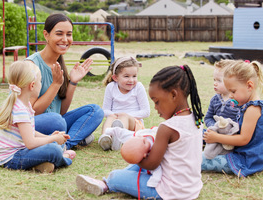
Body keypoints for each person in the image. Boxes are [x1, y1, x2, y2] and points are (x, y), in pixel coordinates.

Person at [76, 65, 204, 199]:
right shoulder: (196, 120)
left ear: (173, 95)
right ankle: (107, 181)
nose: (155, 108)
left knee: (117, 176)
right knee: (137, 168)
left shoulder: (168, 128)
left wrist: (135, 156)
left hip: (168, 192)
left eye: (157, 102)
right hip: (191, 188)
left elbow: (152, 164)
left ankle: (107, 183)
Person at [25, 13, 104, 150]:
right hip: (30, 125)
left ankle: (66, 144)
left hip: (56, 123)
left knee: (95, 111)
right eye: (59, 34)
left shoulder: (58, 64)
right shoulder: (31, 66)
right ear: (46, 35)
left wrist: (73, 82)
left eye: (69, 34)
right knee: (57, 121)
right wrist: (55, 85)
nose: (65, 39)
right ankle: (73, 137)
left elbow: (61, 111)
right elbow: (31, 112)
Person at [0, 61, 75, 173]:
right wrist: (52, 139)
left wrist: (49, 136)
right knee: (53, 150)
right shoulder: (20, 109)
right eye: (40, 81)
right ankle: (63, 158)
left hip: (21, 151)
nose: (41, 84)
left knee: (53, 142)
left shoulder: (25, 105)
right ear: (32, 85)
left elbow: (31, 132)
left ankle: (40, 165)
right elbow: (30, 143)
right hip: (12, 158)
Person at [202, 60, 263, 177]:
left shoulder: (253, 109)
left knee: (199, 161)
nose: (230, 96)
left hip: (247, 160)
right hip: (242, 153)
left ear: (249, 86)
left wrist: (216, 137)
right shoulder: (247, 106)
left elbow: (243, 139)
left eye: (233, 91)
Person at [98, 56, 150, 151]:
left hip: (134, 124)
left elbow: (146, 112)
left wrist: (125, 115)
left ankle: (119, 139)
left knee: (124, 117)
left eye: (134, 76)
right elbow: (105, 110)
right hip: (115, 119)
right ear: (115, 77)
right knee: (110, 117)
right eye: (126, 76)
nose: (131, 80)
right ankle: (106, 138)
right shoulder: (111, 87)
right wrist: (114, 115)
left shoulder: (138, 87)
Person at [204, 59, 240, 128]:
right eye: (214, 80)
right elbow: (208, 118)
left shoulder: (238, 101)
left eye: (219, 80)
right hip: (216, 131)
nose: (215, 83)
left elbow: (241, 121)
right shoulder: (215, 99)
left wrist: (230, 128)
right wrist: (215, 126)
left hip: (232, 133)